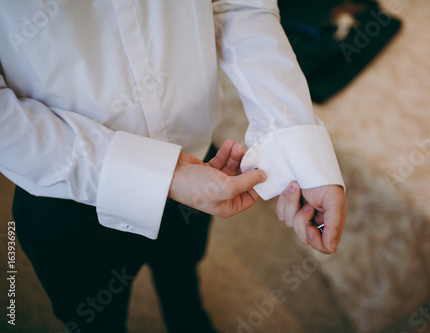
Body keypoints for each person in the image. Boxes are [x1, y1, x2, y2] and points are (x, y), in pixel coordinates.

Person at [0, 1, 346, 332]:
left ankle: (186, 315)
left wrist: (299, 153)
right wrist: (167, 175)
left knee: (182, 268)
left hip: (200, 160)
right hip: (67, 196)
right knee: (93, 317)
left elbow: (239, 6)